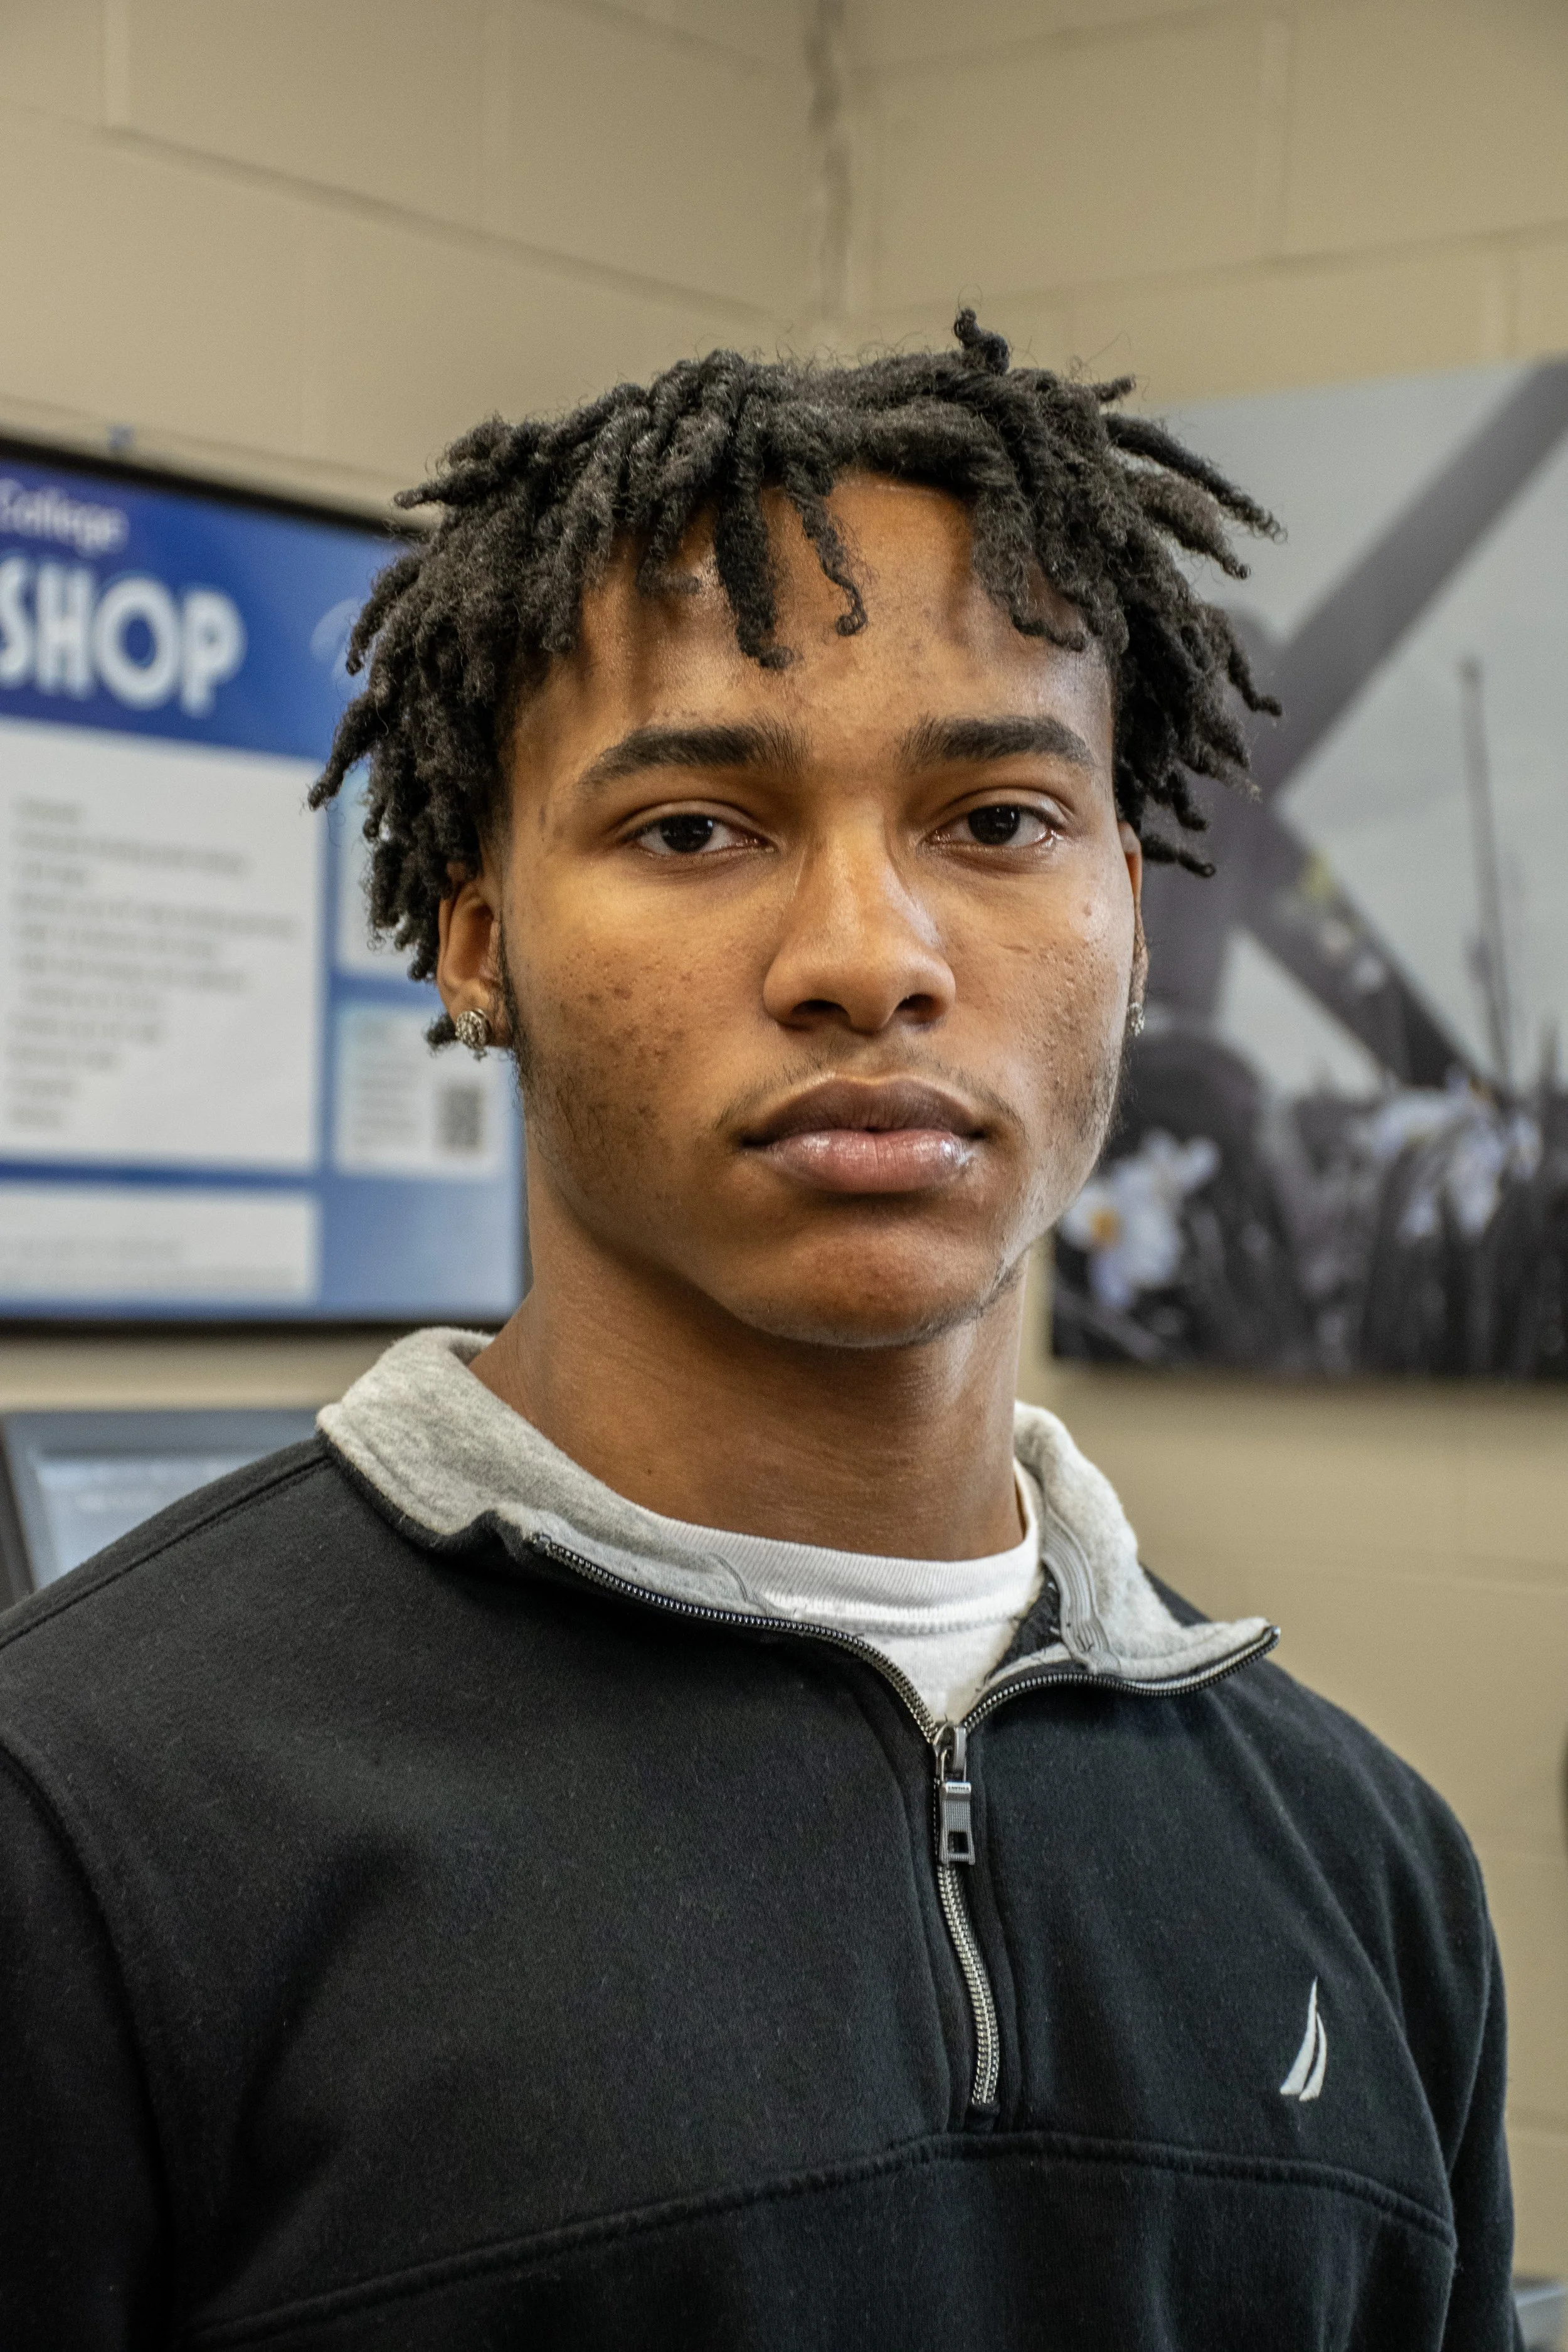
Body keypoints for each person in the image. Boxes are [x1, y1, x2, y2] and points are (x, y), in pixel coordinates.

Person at [0, 315, 1520, 2349]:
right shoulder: (84, 1821)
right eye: (695, 827)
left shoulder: (1362, 1858)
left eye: (995, 819)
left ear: (1136, 931)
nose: (866, 959)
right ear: (474, 940)